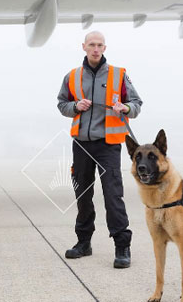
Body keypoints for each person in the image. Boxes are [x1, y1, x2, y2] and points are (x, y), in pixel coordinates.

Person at [56, 31, 143, 268]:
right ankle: (83, 242)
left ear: (105, 48)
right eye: (92, 45)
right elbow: (62, 104)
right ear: (83, 46)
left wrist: (124, 108)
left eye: (100, 45)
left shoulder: (119, 74)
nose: (96, 49)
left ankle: (122, 246)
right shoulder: (72, 76)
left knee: (112, 195)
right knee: (82, 194)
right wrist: (75, 105)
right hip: (82, 144)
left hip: (109, 145)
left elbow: (137, 105)